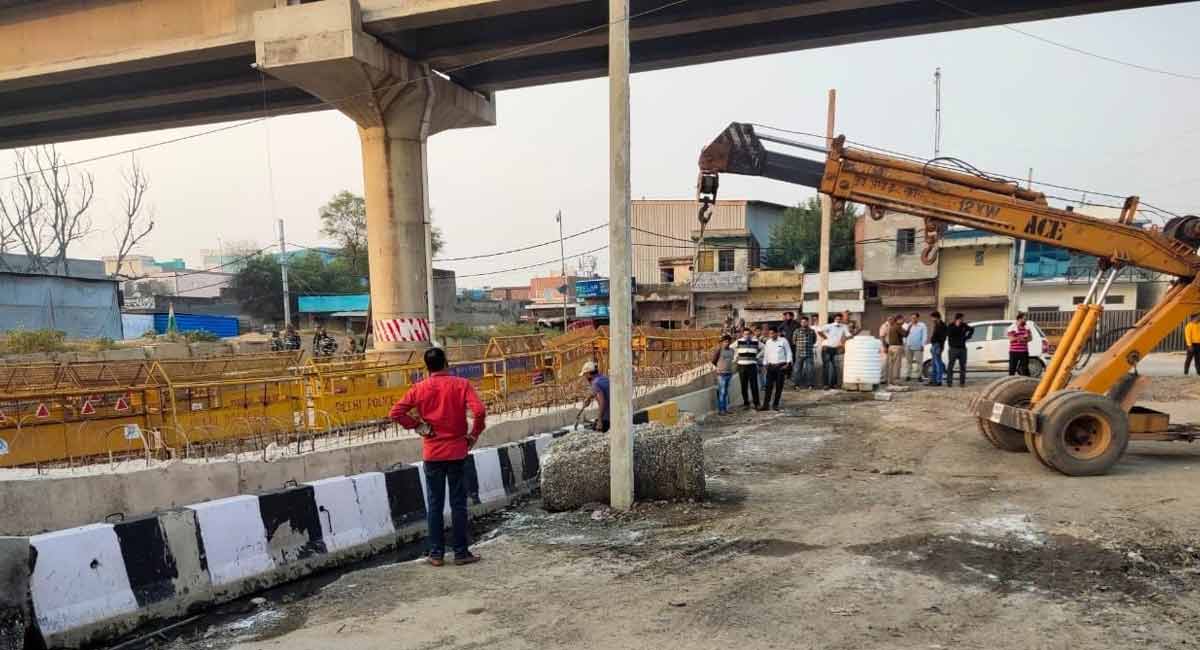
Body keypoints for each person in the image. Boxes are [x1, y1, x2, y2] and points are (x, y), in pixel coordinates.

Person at [389, 347, 486, 567]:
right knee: (458, 503)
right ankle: (461, 553)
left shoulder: (419, 388)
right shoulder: (461, 385)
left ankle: (436, 554)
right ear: (446, 363)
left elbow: (395, 413)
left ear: (427, 367)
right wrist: (473, 435)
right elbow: (479, 411)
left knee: (434, 505)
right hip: (457, 451)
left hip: (432, 454)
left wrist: (418, 426)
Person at [760, 325, 793, 411]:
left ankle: (775, 404)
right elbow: (766, 354)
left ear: (777, 333)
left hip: (781, 367)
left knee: (779, 386)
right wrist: (765, 364)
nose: (771, 335)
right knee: (768, 387)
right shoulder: (768, 342)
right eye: (769, 334)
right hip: (770, 367)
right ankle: (765, 405)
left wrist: (788, 363)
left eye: (772, 333)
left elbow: (789, 352)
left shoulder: (783, 341)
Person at [816, 313, 849, 388]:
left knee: (835, 366)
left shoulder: (844, 327)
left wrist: (842, 343)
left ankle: (834, 384)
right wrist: (825, 338)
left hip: (836, 348)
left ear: (841, 319)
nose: (838, 320)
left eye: (840, 319)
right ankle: (825, 384)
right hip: (826, 347)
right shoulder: (829, 326)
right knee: (826, 366)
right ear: (834, 319)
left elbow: (848, 335)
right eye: (837, 319)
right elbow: (819, 330)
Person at [734, 327, 762, 409]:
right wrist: (736, 357)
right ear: (743, 334)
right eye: (745, 334)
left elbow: (764, 348)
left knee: (754, 385)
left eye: (748, 334)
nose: (747, 335)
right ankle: (746, 403)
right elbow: (731, 348)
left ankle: (757, 403)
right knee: (744, 385)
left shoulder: (755, 341)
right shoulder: (739, 341)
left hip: (752, 365)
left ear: (751, 334)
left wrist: (758, 356)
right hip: (742, 366)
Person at [579, 361, 611, 432]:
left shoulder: (595, 383)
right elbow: (600, 391)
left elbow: (602, 402)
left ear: (588, 373)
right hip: (614, 414)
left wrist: (599, 420)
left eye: (585, 375)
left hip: (606, 418)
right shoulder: (604, 378)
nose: (585, 377)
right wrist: (589, 398)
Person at [946, 313, 975, 387]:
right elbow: (949, 334)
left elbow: (972, 329)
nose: (962, 320)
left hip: (962, 348)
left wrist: (967, 337)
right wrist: (957, 326)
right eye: (961, 318)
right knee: (950, 366)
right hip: (953, 348)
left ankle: (962, 383)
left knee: (963, 366)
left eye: (962, 319)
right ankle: (949, 383)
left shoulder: (964, 325)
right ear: (957, 319)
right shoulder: (951, 325)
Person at [711, 335, 736, 414]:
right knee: (722, 392)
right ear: (722, 343)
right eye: (725, 342)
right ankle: (721, 410)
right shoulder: (719, 350)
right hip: (721, 374)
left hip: (729, 373)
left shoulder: (732, 350)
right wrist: (719, 368)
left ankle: (725, 409)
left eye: (728, 342)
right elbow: (713, 361)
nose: (726, 343)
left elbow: (731, 360)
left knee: (726, 392)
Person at [792, 315, 817, 389]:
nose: (804, 323)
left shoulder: (812, 331)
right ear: (800, 323)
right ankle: (796, 385)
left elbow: (814, 341)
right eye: (802, 322)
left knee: (810, 370)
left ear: (808, 322)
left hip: (809, 353)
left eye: (805, 322)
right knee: (797, 370)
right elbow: (794, 341)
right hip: (799, 353)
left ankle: (810, 385)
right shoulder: (797, 331)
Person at [904, 312, 927, 382]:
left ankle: (919, 376)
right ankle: (908, 375)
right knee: (908, 362)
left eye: (914, 318)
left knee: (919, 362)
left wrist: (923, 345)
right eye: (912, 318)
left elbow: (924, 335)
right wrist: (905, 343)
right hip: (908, 346)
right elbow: (905, 335)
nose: (913, 319)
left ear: (917, 318)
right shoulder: (908, 325)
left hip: (918, 346)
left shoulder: (922, 325)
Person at [927, 311, 948, 386]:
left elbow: (943, 338)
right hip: (934, 345)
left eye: (932, 317)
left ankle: (939, 381)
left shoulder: (942, 325)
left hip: (938, 345)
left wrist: (940, 348)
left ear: (936, 317)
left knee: (938, 363)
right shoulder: (936, 324)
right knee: (933, 364)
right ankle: (933, 380)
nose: (932, 319)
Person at [884, 314, 905, 386]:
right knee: (897, 365)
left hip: (891, 347)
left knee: (891, 365)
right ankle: (896, 381)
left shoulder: (892, 327)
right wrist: (909, 328)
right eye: (902, 319)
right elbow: (905, 334)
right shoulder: (898, 326)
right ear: (898, 320)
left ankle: (890, 381)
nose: (903, 320)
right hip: (897, 347)